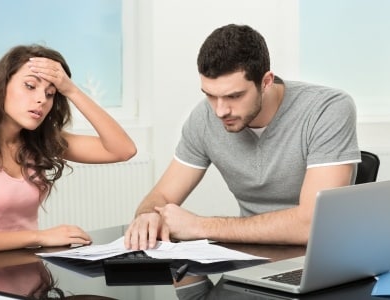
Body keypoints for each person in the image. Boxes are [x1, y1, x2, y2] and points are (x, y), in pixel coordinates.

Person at [124, 23, 360, 251]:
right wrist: (148, 217)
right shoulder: (204, 118)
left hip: (321, 257)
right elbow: (161, 196)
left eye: (234, 96)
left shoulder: (327, 109)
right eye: (210, 95)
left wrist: (199, 226)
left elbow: (312, 225)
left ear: (266, 82)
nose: (220, 111)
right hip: (249, 257)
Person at [0, 44, 137, 257]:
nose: (42, 99)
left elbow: (123, 150)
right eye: (30, 86)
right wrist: (39, 237)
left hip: (28, 271)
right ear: (2, 86)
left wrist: (71, 89)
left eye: (51, 93)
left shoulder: (41, 142)